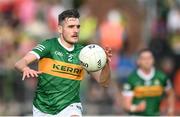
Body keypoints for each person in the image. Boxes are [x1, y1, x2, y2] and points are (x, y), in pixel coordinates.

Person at [14, 9, 112, 117]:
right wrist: (25, 68)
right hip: (43, 107)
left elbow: (104, 82)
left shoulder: (84, 54)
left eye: (78, 26)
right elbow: (20, 63)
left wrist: (105, 63)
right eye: (71, 27)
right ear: (60, 29)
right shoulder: (49, 45)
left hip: (70, 106)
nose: (76, 30)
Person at [122, 48, 174, 116]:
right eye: (144, 58)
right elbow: (126, 105)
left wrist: (171, 109)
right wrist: (136, 108)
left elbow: (171, 93)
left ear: (153, 60)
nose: (147, 61)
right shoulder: (132, 79)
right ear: (138, 61)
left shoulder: (162, 77)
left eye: (149, 58)